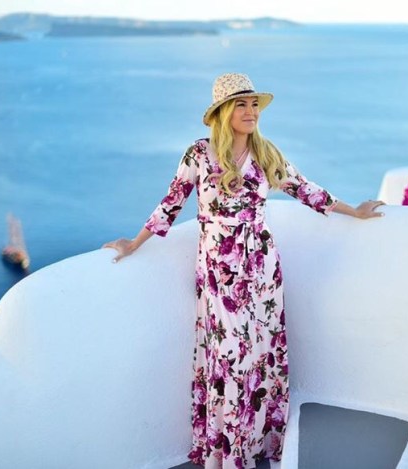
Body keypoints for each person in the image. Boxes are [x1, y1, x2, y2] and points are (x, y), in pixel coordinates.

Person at [103, 73, 385, 469]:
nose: (251, 111)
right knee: (229, 353)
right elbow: (171, 203)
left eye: (254, 104)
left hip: (261, 265)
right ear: (223, 112)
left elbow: (305, 189)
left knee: (261, 350)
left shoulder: (265, 152)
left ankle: (258, 442)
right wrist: (135, 243)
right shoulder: (198, 154)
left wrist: (354, 211)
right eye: (242, 104)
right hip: (218, 270)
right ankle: (228, 448)